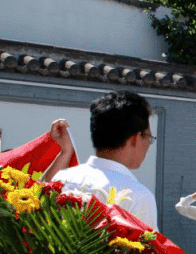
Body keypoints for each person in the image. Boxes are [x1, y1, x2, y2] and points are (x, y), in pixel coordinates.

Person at [49, 91, 158, 230]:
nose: (148, 144)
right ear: (135, 138)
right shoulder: (139, 196)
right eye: (148, 137)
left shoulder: (60, 179)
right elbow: (148, 250)